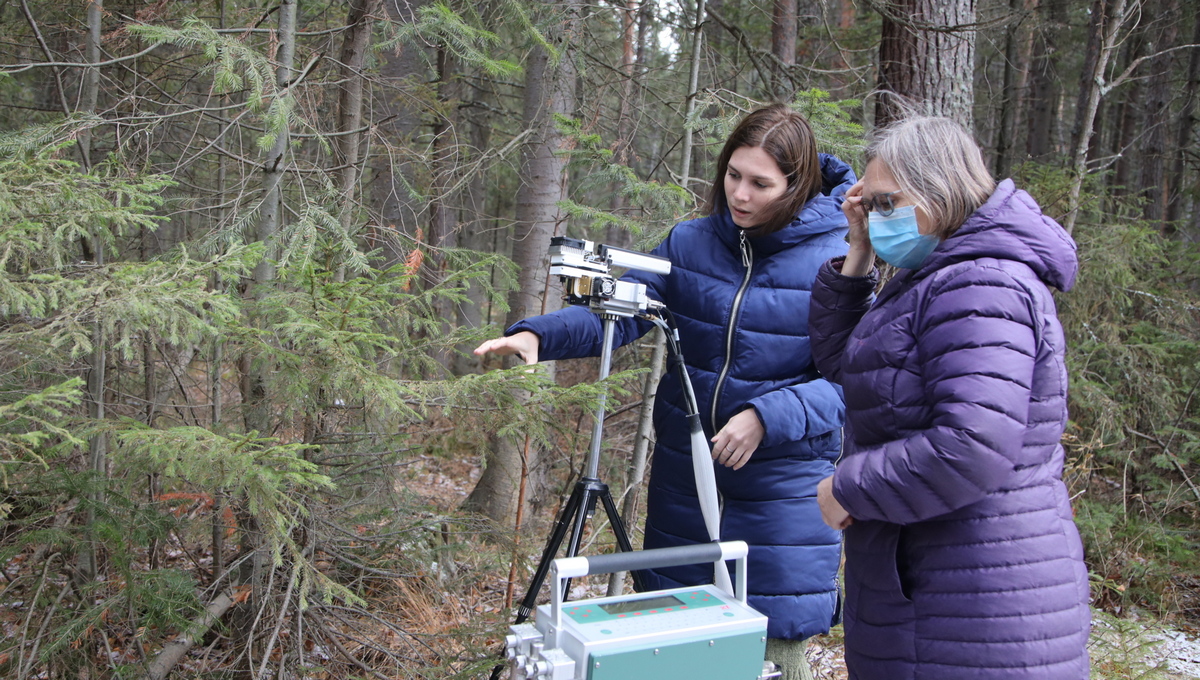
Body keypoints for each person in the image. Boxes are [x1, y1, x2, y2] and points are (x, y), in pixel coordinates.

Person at [475, 104, 854, 680]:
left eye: (760, 184)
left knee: (769, 659)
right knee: (675, 656)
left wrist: (766, 416)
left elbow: (858, 381)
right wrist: (537, 334)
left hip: (783, 500)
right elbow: (622, 312)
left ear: (796, 186)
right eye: (733, 174)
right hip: (684, 482)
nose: (741, 195)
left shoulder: (840, 259)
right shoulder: (691, 243)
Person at [809, 116, 1090, 679]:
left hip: (976, 594)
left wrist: (849, 489)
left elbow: (973, 444)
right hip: (939, 584)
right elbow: (849, 363)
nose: (877, 214)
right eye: (872, 203)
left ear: (938, 192)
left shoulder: (981, 282)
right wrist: (859, 252)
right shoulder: (935, 276)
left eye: (888, 203)